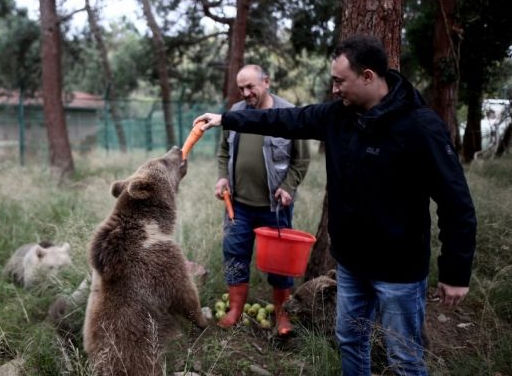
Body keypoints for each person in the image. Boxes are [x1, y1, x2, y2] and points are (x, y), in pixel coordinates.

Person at [194, 35, 476, 376]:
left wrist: (456, 271)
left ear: (368, 76)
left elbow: (455, 201)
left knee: (404, 357)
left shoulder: (420, 126)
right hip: (351, 265)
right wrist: (226, 119)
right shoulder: (337, 116)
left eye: (340, 81)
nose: (334, 89)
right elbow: (286, 120)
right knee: (350, 341)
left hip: (398, 271)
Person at [215, 64, 310, 335]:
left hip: (275, 207)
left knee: (282, 264)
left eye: (250, 87)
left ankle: (282, 315)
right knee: (234, 254)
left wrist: (289, 186)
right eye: (241, 88)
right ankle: (235, 309)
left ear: (266, 82)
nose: (245, 93)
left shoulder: (288, 113)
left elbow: (301, 159)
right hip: (238, 206)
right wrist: (223, 178)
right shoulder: (235, 113)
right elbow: (224, 152)